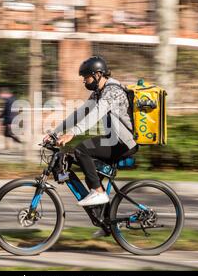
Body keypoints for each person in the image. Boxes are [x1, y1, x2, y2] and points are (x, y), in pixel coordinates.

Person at [45, 56, 138, 208]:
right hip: (112, 140)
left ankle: (99, 192)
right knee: (90, 175)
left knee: (82, 149)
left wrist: (72, 133)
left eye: (86, 77)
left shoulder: (112, 91)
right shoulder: (98, 92)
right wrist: (56, 132)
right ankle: (106, 222)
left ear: (97, 74)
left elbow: (96, 114)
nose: (84, 81)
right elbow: (80, 114)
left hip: (123, 143)